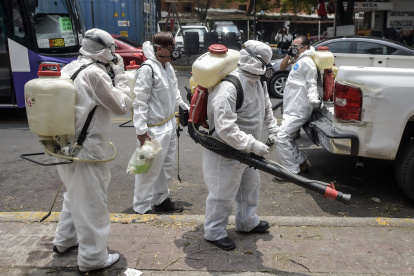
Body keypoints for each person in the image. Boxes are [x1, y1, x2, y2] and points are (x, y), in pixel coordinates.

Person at [53, 29, 132, 272]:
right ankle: (93, 259)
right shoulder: (95, 74)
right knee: (93, 205)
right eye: (112, 50)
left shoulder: (70, 68)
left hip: (65, 146)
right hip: (87, 151)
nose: (114, 54)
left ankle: (64, 241)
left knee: (75, 195)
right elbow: (120, 106)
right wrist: (121, 79)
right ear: (104, 50)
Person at [202, 40, 279, 251]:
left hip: (247, 150)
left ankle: (247, 221)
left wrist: (274, 131)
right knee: (222, 193)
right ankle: (214, 231)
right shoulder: (230, 86)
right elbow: (225, 127)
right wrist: (253, 145)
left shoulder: (259, 82)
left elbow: (266, 109)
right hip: (224, 151)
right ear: (253, 61)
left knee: (250, 186)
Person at [132, 32, 189, 215]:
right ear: (159, 49)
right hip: (153, 129)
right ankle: (141, 206)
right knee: (147, 169)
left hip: (169, 125)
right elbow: (139, 101)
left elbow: (175, 92)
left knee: (165, 167)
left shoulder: (167, 67)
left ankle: (161, 199)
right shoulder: (147, 69)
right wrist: (141, 131)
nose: (174, 51)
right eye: (171, 47)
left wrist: (184, 108)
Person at [274, 35, 320, 175]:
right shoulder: (298, 60)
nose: (293, 49)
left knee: (281, 137)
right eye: (292, 46)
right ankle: (301, 163)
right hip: (292, 106)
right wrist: (289, 55)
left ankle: (291, 171)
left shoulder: (307, 62)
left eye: (296, 47)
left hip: (299, 108)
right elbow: (282, 67)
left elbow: (312, 83)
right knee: (287, 137)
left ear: (305, 48)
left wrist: (313, 99)